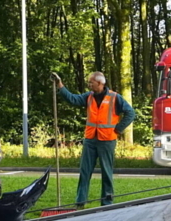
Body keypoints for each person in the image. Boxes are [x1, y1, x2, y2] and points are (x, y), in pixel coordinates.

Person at [51, 71, 136, 209]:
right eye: (89, 82)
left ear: (100, 83)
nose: (89, 84)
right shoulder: (88, 96)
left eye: (91, 82)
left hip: (107, 140)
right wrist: (60, 85)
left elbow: (131, 113)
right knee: (85, 171)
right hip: (90, 139)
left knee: (106, 172)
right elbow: (73, 99)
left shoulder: (115, 98)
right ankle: (80, 201)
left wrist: (118, 129)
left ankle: (107, 201)